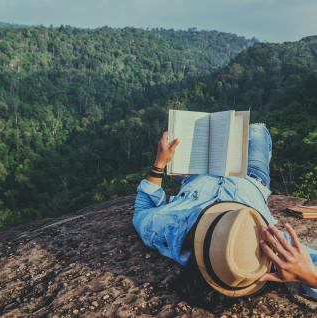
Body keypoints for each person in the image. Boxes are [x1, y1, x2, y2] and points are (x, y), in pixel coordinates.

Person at [133, 123, 317, 298]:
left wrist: (160, 163)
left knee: (194, 136)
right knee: (257, 130)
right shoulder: (268, 245)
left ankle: (184, 178)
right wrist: (310, 277)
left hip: (198, 176)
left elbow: (142, 208)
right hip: (250, 177)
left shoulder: (171, 228)